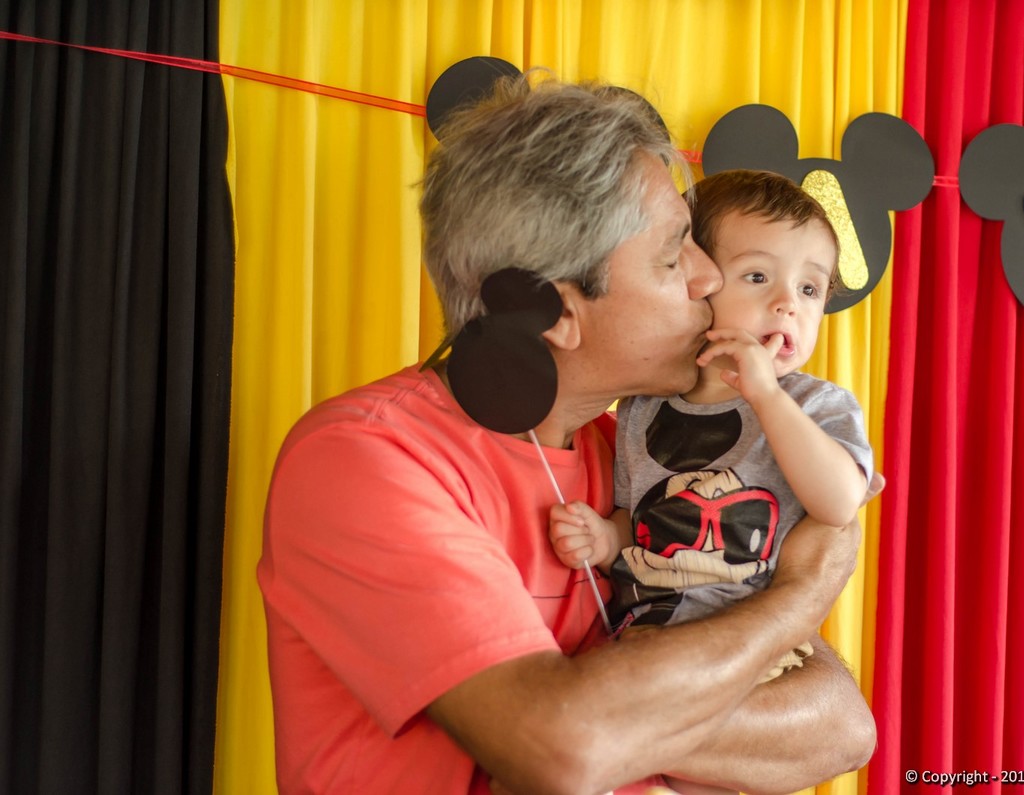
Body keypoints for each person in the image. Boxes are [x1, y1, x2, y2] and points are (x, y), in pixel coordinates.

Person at [259, 75, 876, 795]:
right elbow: (564, 749)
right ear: (556, 312)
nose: (710, 279)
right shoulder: (366, 462)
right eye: (674, 254)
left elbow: (840, 726)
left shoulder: (633, 451)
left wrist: (614, 711)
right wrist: (803, 593)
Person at [548, 170, 874, 794]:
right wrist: (608, 538)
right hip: (647, 635)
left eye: (810, 288)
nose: (788, 304)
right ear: (697, 283)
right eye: (757, 278)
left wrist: (766, 396)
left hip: (751, 650)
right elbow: (646, 520)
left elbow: (838, 503)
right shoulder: (642, 409)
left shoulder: (814, 406)